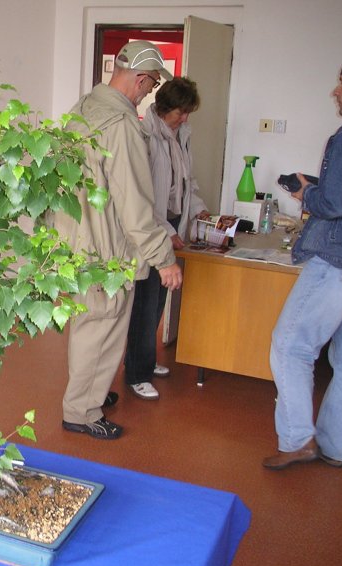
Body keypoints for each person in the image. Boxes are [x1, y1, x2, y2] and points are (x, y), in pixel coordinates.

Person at [53, 41, 183, 440]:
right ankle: (81, 411)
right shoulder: (123, 126)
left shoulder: (81, 109)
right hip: (105, 247)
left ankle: (90, 392)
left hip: (74, 239)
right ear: (140, 78)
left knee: (90, 323)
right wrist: (163, 259)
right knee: (102, 327)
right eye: (152, 84)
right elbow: (135, 205)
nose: (150, 92)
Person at [262, 53, 342, 470]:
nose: (336, 90)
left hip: (340, 261)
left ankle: (297, 440)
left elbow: (337, 203)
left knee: (290, 345)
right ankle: (335, 447)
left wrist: (306, 194)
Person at [124, 77, 210, 400]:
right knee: (144, 304)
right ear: (163, 108)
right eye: (180, 112)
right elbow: (144, 196)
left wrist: (198, 210)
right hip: (152, 227)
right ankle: (136, 373)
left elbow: (188, 181)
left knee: (159, 301)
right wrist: (169, 232)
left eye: (188, 113)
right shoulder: (145, 135)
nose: (185, 118)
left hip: (172, 221)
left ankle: (146, 360)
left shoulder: (181, 135)